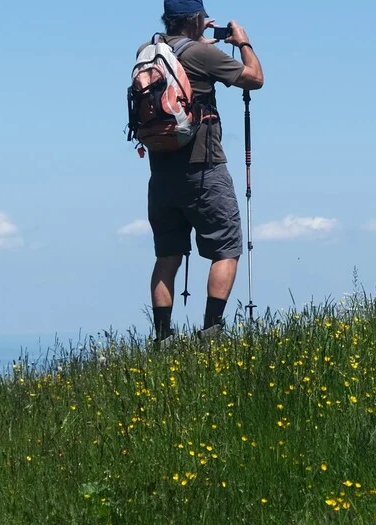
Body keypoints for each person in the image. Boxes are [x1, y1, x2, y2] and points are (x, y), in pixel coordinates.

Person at [143, 0, 264, 345]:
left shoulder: (148, 50)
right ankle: (211, 333)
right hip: (204, 169)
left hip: (161, 173)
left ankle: (163, 339)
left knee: (167, 255)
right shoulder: (202, 55)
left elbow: (181, 69)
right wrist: (242, 41)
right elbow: (255, 79)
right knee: (226, 248)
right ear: (198, 18)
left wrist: (196, 47)